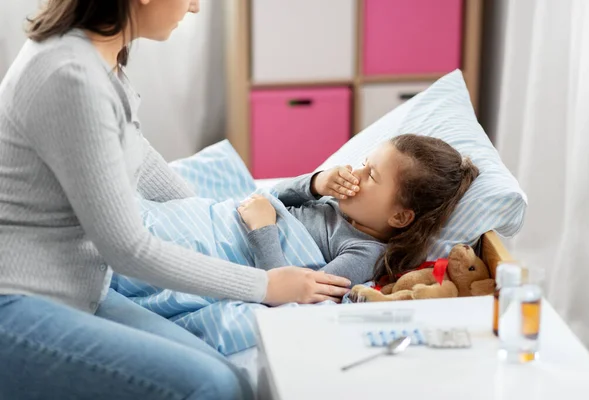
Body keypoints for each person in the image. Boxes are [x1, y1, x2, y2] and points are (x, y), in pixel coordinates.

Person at [0, 1, 350, 398]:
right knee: (212, 386)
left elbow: (139, 157)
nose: (197, 7)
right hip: (16, 300)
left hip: (80, 291)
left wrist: (218, 220)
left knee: (233, 380)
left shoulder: (96, 58)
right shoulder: (71, 76)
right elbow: (128, 250)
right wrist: (265, 285)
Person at [238, 134, 479, 286]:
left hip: (239, 242)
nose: (355, 172)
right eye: (364, 164)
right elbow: (274, 195)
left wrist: (263, 228)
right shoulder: (337, 205)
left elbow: (287, 293)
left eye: (371, 175)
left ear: (399, 216)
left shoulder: (365, 253)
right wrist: (316, 183)